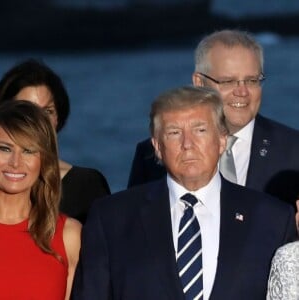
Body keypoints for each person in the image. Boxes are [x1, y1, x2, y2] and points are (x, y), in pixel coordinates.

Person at [71, 86, 296, 300]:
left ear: (221, 140)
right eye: (174, 132)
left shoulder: (272, 218)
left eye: (200, 130)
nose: (188, 144)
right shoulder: (112, 219)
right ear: (157, 146)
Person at [127, 29, 299, 208]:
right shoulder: (151, 155)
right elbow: (132, 228)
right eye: (228, 81)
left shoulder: (293, 151)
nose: (242, 92)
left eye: (251, 81)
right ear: (199, 83)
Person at [0, 59, 111, 223]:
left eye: (48, 111)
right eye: (26, 110)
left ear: (58, 117)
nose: (38, 120)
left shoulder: (86, 185)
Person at [0, 100, 81, 299]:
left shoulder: (69, 235)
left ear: (44, 159)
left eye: (28, 151)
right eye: (4, 148)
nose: (15, 163)